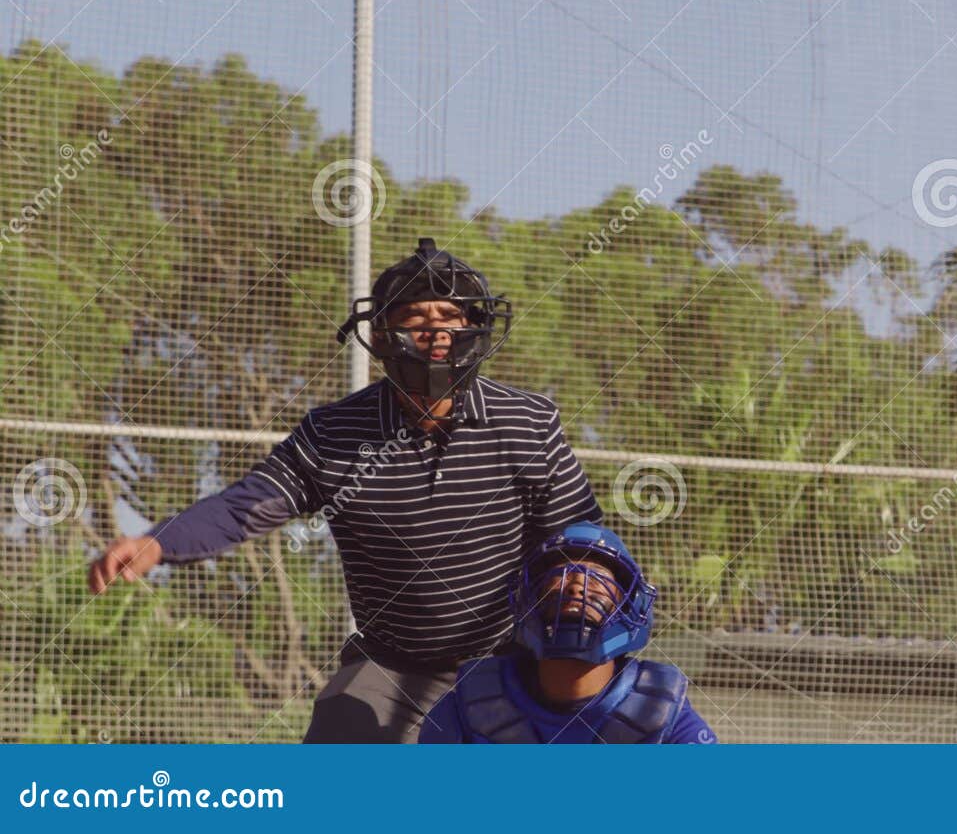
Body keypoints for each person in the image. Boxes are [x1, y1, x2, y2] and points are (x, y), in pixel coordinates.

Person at [87, 238, 605, 743]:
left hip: (514, 664)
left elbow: (581, 544)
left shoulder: (529, 423)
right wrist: (158, 541)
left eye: (451, 317)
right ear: (379, 336)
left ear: (475, 328)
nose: (437, 332)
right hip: (391, 668)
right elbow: (246, 505)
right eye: (416, 319)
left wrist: (580, 614)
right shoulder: (333, 433)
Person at [420, 522, 717, 744]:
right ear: (529, 598)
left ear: (630, 604)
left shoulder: (663, 713)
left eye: (599, 578)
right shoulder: (468, 707)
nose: (577, 586)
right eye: (560, 575)